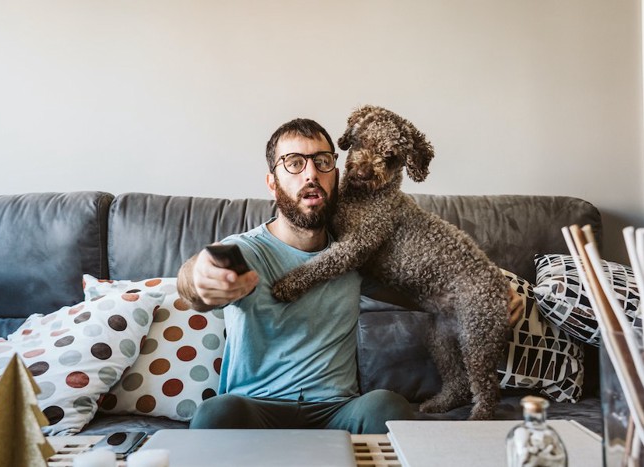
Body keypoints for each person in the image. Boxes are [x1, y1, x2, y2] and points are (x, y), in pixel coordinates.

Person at [177, 118, 524, 434]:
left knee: (386, 406)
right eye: (295, 163)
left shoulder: (358, 258)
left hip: (336, 410)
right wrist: (199, 277)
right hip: (256, 407)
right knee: (215, 414)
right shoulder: (248, 250)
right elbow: (193, 281)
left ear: (337, 175)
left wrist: (495, 295)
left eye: (322, 162)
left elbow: (432, 288)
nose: (311, 174)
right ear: (272, 182)